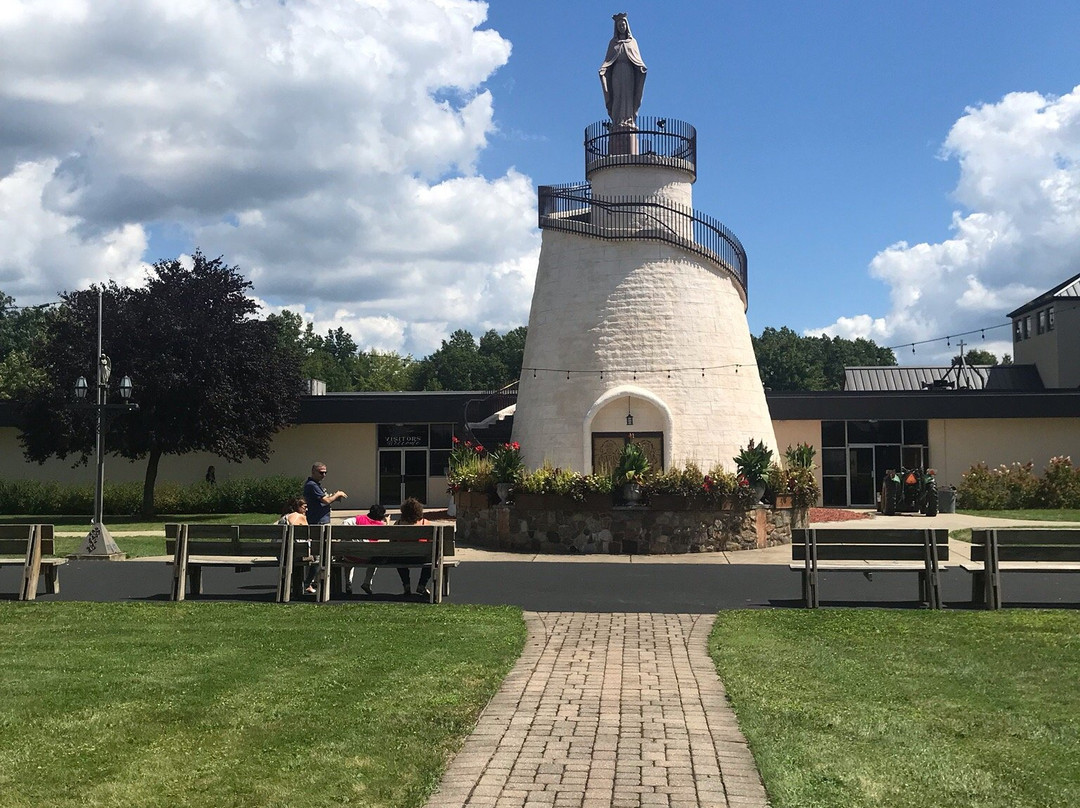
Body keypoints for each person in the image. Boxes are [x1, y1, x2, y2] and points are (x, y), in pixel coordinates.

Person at [302, 462, 346, 594]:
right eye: (321, 472)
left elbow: (324, 500)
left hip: (320, 521)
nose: (324, 475)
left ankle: (311, 581)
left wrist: (333, 498)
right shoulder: (312, 485)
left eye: (325, 472)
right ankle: (308, 583)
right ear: (313, 472)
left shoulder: (316, 485)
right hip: (318, 523)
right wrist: (337, 494)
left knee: (320, 554)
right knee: (318, 554)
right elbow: (326, 501)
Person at [598, 12, 646, 128]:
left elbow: (637, 59)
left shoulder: (632, 42)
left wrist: (641, 68)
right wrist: (603, 70)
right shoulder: (613, 43)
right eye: (619, 25)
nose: (621, 27)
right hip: (617, 73)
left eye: (623, 25)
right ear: (616, 28)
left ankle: (629, 120)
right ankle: (617, 121)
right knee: (617, 96)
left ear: (626, 26)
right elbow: (607, 61)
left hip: (629, 73)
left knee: (628, 96)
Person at [344, 504, 388, 596]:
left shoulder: (359, 519)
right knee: (375, 558)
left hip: (350, 556)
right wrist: (387, 523)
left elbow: (346, 522)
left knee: (350, 557)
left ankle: (348, 582)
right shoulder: (381, 525)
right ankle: (367, 582)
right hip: (368, 557)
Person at [393, 497, 432, 598]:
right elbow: (431, 542)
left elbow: (392, 542)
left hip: (403, 557)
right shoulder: (425, 523)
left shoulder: (397, 524)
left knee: (398, 554)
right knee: (433, 557)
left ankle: (406, 584)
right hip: (421, 558)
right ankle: (422, 585)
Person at [277, 497, 316, 595]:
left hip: (281, 554)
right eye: (304, 507)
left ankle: (301, 586)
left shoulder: (283, 518)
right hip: (297, 554)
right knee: (319, 557)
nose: (306, 510)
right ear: (297, 507)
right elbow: (308, 536)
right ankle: (307, 583)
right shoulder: (301, 517)